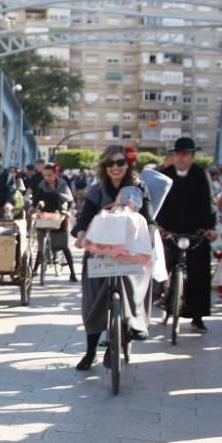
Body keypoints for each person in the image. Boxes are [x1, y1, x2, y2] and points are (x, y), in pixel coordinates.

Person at [72, 145, 155, 371]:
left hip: (129, 251)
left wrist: (151, 237)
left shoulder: (137, 187)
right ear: (104, 167)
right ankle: (90, 353)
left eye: (119, 163)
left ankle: (132, 325)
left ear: (127, 165)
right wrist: (80, 235)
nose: (115, 168)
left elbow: (148, 218)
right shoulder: (97, 190)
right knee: (93, 298)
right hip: (99, 250)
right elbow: (84, 219)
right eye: (110, 164)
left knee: (135, 285)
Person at [155, 137, 217, 333]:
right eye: (178, 154)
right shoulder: (165, 175)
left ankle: (197, 317)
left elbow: (209, 202)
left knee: (199, 271)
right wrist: (158, 226)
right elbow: (157, 203)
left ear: (192, 156)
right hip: (170, 230)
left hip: (195, 232)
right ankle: (164, 300)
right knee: (162, 266)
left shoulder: (201, 174)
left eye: (186, 154)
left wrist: (209, 228)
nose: (181, 158)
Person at [33, 163, 78, 282]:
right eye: (45, 175)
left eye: (50, 175)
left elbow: (70, 201)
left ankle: (72, 273)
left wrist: (67, 212)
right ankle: (34, 270)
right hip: (44, 217)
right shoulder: (41, 185)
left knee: (64, 246)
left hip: (60, 216)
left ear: (55, 174)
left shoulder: (62, 185)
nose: (48, 178)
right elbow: (36, 201)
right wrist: (34, 210)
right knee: (41, 246)